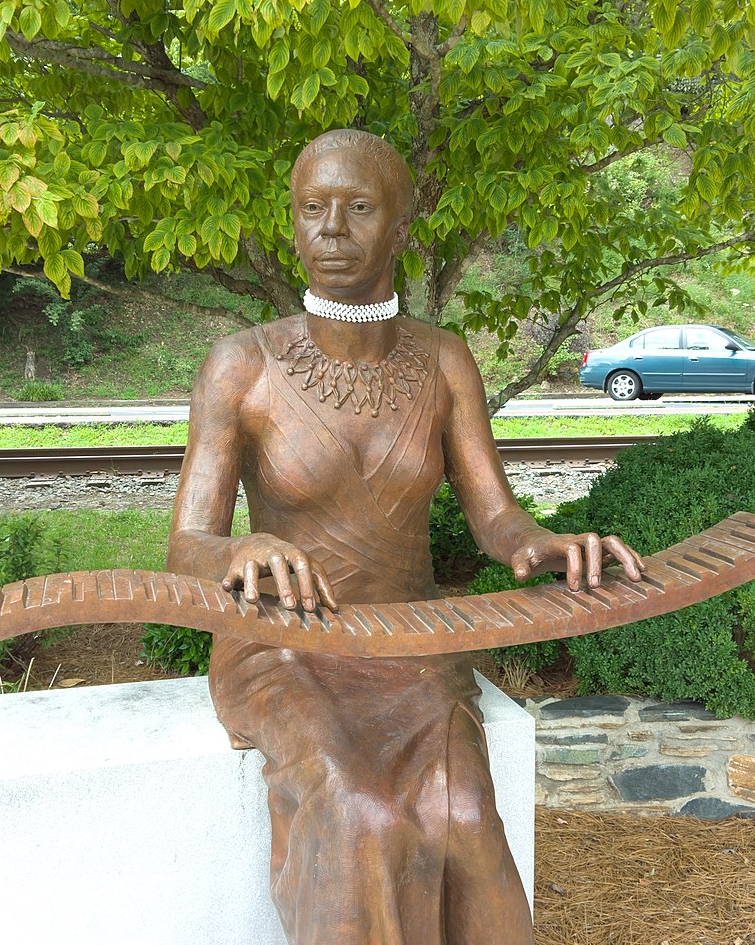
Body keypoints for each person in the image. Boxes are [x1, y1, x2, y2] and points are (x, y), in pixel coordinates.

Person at [166, 128, 642, 945]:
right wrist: (241, 552)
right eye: (312, 209)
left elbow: (497, 516)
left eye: (357, 208)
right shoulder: (241, 366)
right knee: (355, 811)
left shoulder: (444, 360)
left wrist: (543, 545)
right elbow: (186, 547)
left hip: (409, 641)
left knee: (460, 811)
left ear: (400, 227)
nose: (331, 230)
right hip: (281, 644)